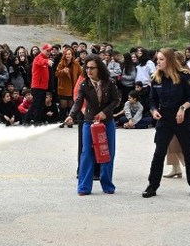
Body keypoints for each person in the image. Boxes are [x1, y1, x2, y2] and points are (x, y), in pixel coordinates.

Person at [143, 48, 190, 198]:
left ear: (169, 60)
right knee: (159, 153)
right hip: (165, 117)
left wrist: (183, 108)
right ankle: (152, 186)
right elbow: (152, 99)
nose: (158, 62)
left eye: (161, 59)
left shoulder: (183, 76)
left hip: (183, 117)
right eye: (157, 59)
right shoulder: (156, 78)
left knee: (188, 152)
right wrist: (154, 110)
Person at [64, 54, 120, 195]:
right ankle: (83, 187)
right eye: (87, 68)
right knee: (87, 153)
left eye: (92, 68)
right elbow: (78, 101)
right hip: (89, 122)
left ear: (99, 68)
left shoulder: (110, 82)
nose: (89, 71)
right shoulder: (84, 84)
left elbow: (116, 100)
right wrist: (71, 115)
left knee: (108, 152)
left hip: (107, 122)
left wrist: (105, 112)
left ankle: (107, 185)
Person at [24, 43, 54, 125]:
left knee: (40, 105)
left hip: (43, 87)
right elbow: (41, 62)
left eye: (50, 51)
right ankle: (26, 120)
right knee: (35, 104)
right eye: (47, 50)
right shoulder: (38, 58)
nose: (49, 52)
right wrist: (47, 61)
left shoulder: (45, 58)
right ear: (42, 50)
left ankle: (37, 121)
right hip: (37, 86)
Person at [55, 47, 81, 127]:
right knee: (63, 105)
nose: (67, 55)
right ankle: (62, 121)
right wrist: (63, 71)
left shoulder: (76, 64)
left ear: (72, 55)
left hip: (73, 87)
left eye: (69, 54)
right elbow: (57, 74)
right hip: (64, 87)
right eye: (66, 54)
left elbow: (80, 74)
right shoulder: (61, 63)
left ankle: (70, 121)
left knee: (71, 105)